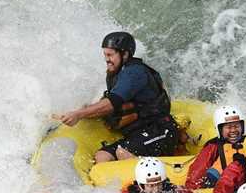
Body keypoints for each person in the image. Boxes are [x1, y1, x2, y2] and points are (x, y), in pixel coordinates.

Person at [53, 31, 179, 163]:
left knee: (122, 153)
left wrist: (78, 114)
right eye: (105, 55)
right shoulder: (116, 73)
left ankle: (148, 180)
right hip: (137, 135)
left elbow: (111, 103)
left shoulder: (134, 73)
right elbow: (107, 105)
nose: (107, 59)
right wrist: (79, 113)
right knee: (102, 156)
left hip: (160, 131)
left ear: (125, 54)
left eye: (110, 55)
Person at [185, 105, 246, 189]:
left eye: (237, 126)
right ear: (220, 129)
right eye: (229, 127)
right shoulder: (213, 146)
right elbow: (197, 172)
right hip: (224, 188)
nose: (233, 130)